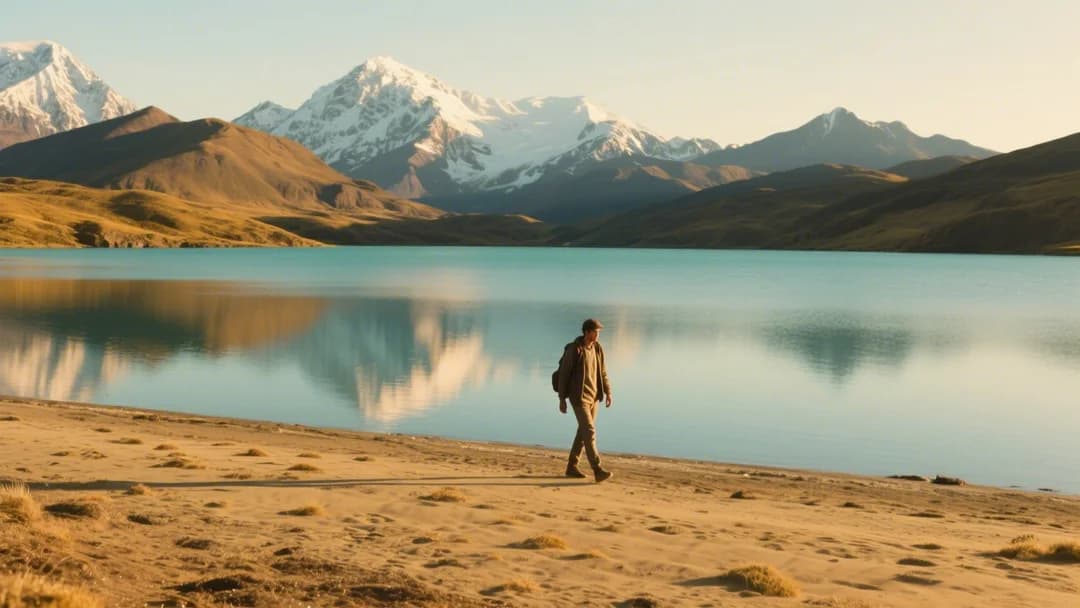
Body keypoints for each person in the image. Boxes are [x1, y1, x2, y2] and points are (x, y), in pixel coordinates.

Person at [556, 318, 614, 483]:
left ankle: (572, 467)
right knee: (589, 431)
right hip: (579, 398)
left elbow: (603, 372)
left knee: (583, 433)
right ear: (587, 332)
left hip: (594, 398)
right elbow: (564, 375)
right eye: (595, 331)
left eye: (598, 332)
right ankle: (597, 469)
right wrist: (562, 398)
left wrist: (608, 392)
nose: (598, 334)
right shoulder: (575, 349)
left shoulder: (597, 348)